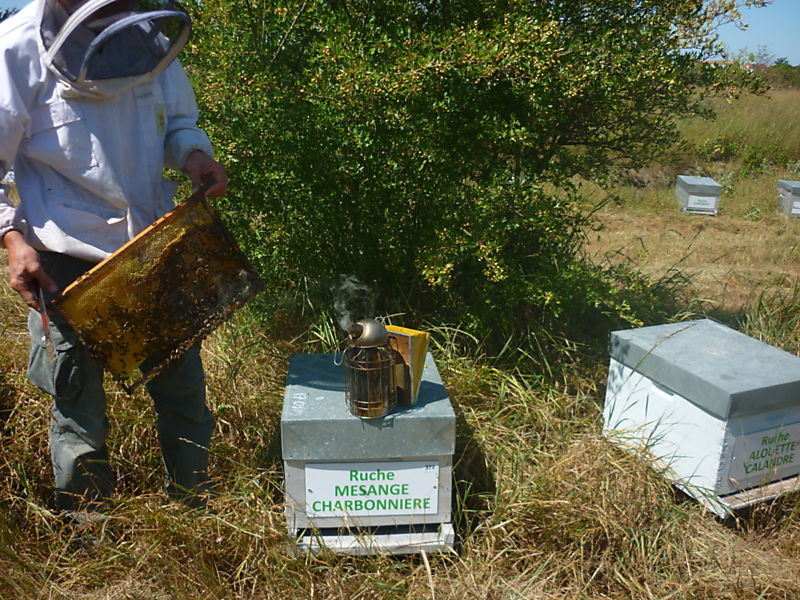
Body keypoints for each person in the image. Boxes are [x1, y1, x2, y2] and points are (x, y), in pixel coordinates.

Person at [0, 0, 227, 514]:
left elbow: (179, 121)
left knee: (183, 390)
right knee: (79, 407)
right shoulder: (14, 48)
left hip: (151, 248)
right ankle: (88, 534)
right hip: (65, 264)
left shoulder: (145, 35)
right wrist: (13, 242)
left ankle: (195, 508)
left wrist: (194, 156)